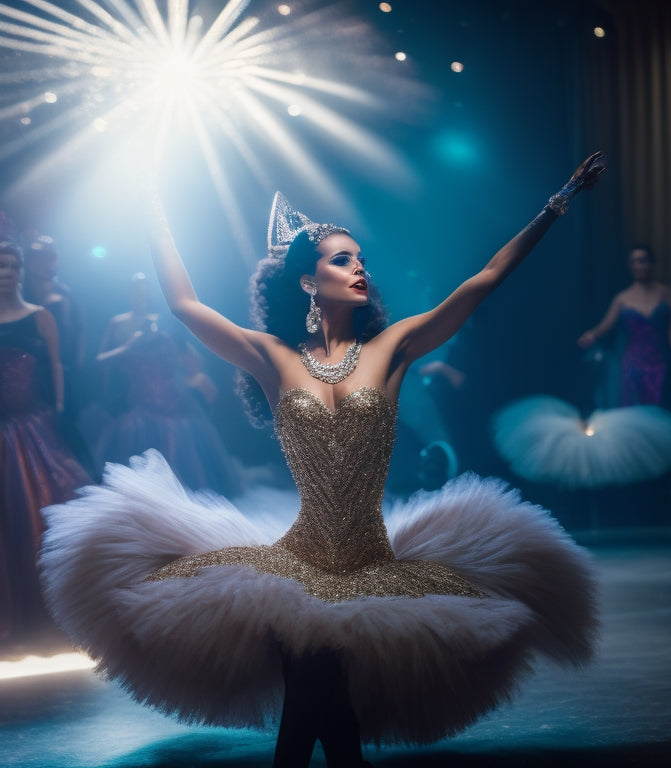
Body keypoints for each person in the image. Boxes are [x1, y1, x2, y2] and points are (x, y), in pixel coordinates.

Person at [40, 152, 604, 767]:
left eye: (361, 258)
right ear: (308, 281)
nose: (359, 267)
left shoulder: (394, 346)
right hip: (298, 559)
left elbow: (485, 279)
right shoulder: (272, 357)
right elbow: (184, 304)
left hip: (371, 558)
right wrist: (153, 210)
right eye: (342, 259)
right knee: (318, 695)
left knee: (316, 699)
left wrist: (557, 203)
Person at [0, 240, 90, 647]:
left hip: (33, 427)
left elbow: (56, 365)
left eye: (12, 265)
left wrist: (57, 407)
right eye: (1, 266)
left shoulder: (41, 316)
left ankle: (56, 607)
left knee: (40, 509)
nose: (7, 273)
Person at [94, 272, 240, 496]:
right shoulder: (118, 324)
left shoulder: (164, 323)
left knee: (189, 469)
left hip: (175, 406)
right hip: (139, 409)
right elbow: (100, 363)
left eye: (145, 292)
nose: (140, 297)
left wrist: (191, 376)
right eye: (136, 292)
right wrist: (129, 347)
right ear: (128, 294)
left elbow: (193, 363)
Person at [578, 245, 671, 407]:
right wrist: (592, 334)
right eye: (635, 261)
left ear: (652, 263)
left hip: (661, 360)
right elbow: (605, 325)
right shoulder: (622, 298)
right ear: (630, 266)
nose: (640, 265)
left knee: (662, 406)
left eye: (644, 260)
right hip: (633, 363)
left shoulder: (667, 293)